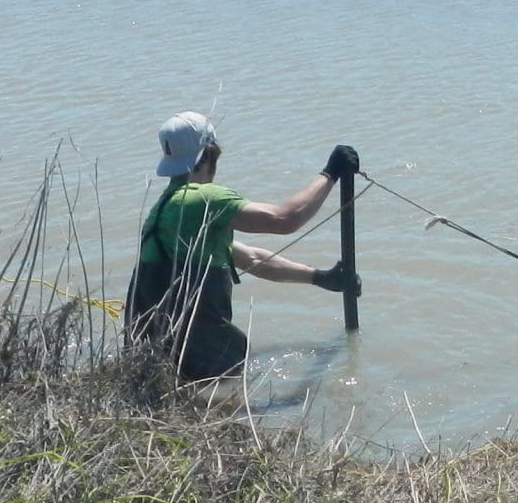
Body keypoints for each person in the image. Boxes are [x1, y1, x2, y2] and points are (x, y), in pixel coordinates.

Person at [125, 111, 360, 383]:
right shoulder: (202, 199)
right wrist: (330, 172)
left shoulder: (163, 210)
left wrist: (319, 277)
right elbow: (284, 219)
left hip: (154, 358)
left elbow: (251, 258)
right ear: (209, 154)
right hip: (195, 357)